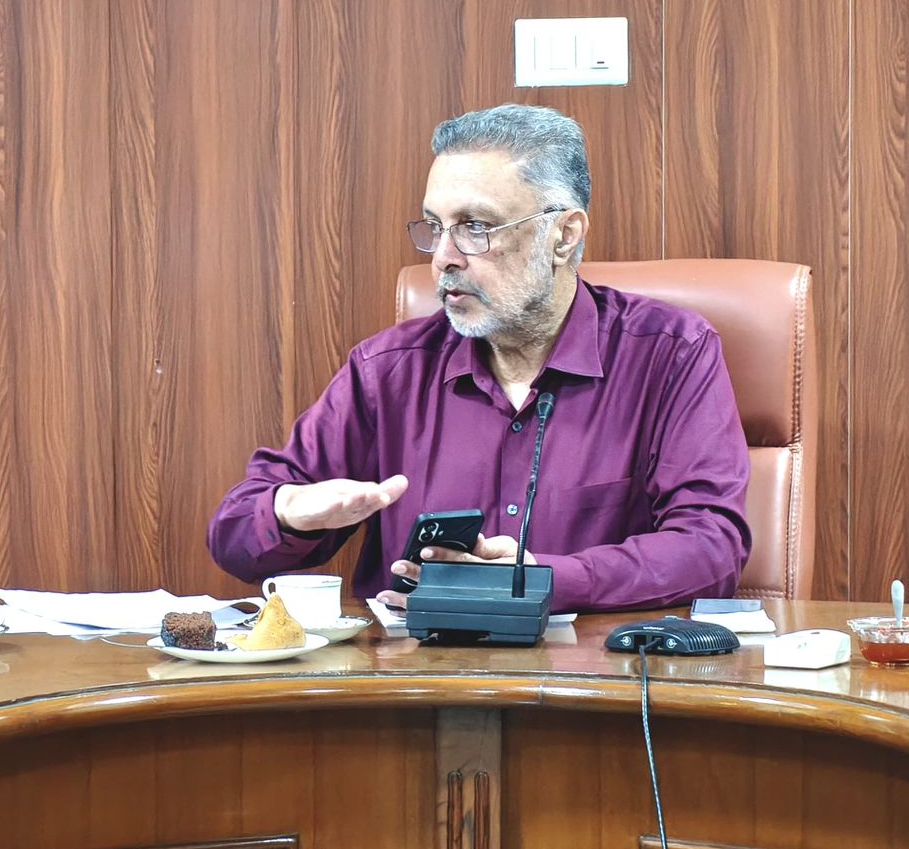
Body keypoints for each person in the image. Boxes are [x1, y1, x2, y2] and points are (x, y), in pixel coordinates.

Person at [208, 104, 751, 614]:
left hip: (589, 675)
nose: (444, 258)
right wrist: (290, 513)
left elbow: (711, 548)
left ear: (563, 236)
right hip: (415, 674)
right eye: (435, 227)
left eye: (475, 227)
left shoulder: (669, 353)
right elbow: (234, 537)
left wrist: (545, 577)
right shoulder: (388, 371)